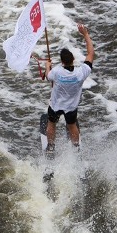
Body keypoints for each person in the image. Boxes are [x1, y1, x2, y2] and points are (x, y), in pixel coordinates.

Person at [44, 23, 95, 151]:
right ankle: (76, 147)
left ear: (61, 62)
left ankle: (51, 146)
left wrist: (47, 65)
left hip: (55, 105)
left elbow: (48, 76)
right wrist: (86, 34)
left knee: (51, 124)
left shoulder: (56, 71)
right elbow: (90, 54)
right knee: (72, 125)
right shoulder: (81, 72)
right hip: (71, 107)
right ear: (73, 58)